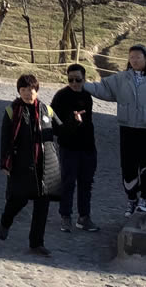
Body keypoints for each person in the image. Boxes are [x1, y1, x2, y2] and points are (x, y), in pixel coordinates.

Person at [82, 44, 146, 215]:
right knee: (128, 166)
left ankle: (145, 198)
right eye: (131, 57)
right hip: (128, 128)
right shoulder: (122, 78)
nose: (135, 60)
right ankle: (131, 199)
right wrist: (82, 85)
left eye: (138, 57)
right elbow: (103, 89)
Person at [0, 73, 78, 257]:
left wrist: (74, 122)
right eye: (24, 90)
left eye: (31, 89)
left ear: (37, 90)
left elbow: (62, 131)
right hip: (21, 164)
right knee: (18, 199)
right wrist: (5, 163)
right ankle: (5, 221)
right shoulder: (11, 111)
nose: (28, 93)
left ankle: (36, 243)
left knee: (42, 205)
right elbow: (5, 139)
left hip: (45, 166)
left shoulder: (46, 110)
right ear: (19, 91)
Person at [50, 63, 100, 233]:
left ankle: (84, 217)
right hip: (68, 147)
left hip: (87, 147)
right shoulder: (61, 96)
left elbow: (89, 122)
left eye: (77, 79)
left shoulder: (87, 96)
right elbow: (54, 125)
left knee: (86, 183)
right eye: (70, 79)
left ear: (84, 79)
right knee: (68, 182)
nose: (74, 83)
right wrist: (72, 121)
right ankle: (65, 216)